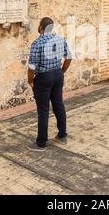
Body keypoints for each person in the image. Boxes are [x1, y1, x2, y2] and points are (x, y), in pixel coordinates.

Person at [27, 17, 72, 152]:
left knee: (43, 110)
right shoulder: (59, 39)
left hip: (43, 78)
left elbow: (31, 66)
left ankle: (41, 143)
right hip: (57, 75)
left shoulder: (37, 43)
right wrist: (62, 71)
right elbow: (69, 57)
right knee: (58, 104)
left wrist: (30, 80)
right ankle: (62, 134)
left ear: (41, 27)